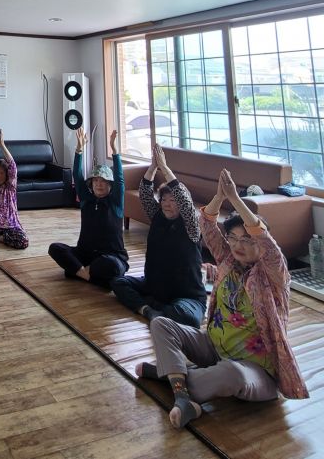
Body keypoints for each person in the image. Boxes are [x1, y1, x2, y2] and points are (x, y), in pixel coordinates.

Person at [136, 169, 309, 429]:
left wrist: (236, 199)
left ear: (260, 244)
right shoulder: (228, 261)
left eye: (247, 240)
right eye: (233, 238)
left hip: (254, 370)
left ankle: (171, 376)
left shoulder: (274, 275)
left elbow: (265, 239)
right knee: (161, 323)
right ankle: (182, 393)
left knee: (231, 373)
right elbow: (206, 223)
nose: (238, 245)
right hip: (213, 348)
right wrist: (220, 196)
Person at [111, 144, 206, 327]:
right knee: (118, 282)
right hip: (154, 287)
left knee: (187, 317)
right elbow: (145, 194)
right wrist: (153, 167)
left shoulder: (191, 225)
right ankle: (147, 310)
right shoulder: (157, 216)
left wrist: (165, 167)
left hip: (186, 295)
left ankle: (160, 310)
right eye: (164, 199)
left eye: (172, 200)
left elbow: (185, 201)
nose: (167, 204)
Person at [48, 129, 128, 287]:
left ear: (110, 185)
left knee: (111, 266)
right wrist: (79, 150)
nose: (99, 184)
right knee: (55, 248)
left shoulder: (115, 203)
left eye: (103, 181)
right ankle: (88, 275)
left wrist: (115, 151)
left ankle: (78, 271)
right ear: (91, 184)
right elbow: (77, 177)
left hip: (111, 256)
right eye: (95, 181)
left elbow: (120, 179)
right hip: (85, 254)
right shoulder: (86, 200)